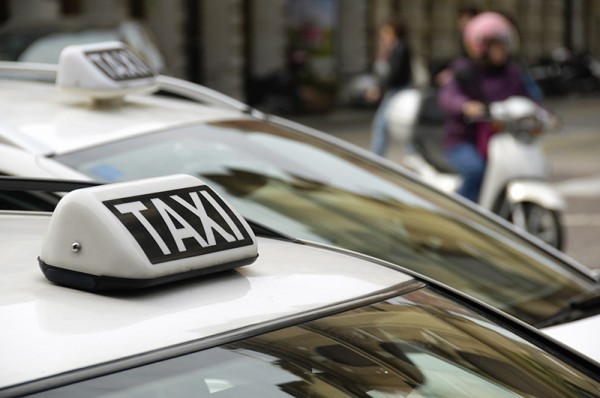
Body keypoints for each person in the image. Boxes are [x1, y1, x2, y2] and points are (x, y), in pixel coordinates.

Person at [438, 12, 531, 202]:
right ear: (482, 47)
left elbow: (526, 98)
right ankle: (460, 213)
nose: (502, 51)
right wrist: (465, 105)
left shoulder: (511, 73)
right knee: (476, 171)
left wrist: (545, 114)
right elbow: (448, 95)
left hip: (500, 138)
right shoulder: (464, 69)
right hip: (464, 140)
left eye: (504, 45)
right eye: (497, 46)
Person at [367, 17, 412, 157]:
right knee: (398, 125)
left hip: (398, 91)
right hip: (395, 90)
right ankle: (412, 156)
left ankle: (376, 158)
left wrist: (379, 89)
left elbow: (394, 72)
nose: (383, 35)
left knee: (383, 124)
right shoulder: (391, 48)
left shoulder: (400, 48)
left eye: (387, 32)